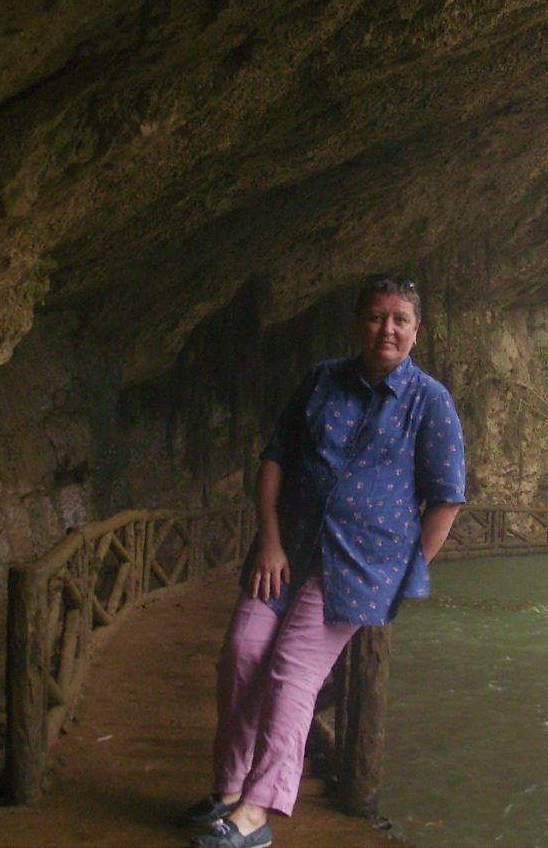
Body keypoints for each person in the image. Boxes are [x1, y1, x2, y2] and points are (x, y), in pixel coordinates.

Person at [183, 276, 465, 848]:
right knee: (240, 653)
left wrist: (402, 573)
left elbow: (446, 498)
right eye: (376, 316)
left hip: (357, 569)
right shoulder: (322, 379)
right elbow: (275, 460)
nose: (387, 328)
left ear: (416, 330)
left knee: (291, 671)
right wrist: (268, 539)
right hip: (286, 549)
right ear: (358, 323)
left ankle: (255, 814)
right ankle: (230, 787)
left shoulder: (429, 401)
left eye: (400, 319)